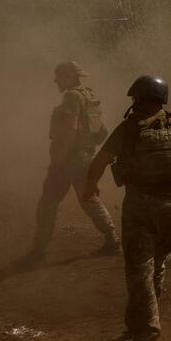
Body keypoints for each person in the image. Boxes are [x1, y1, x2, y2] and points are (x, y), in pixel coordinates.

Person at [82, 75, 171, 341]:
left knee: (138, 268)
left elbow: (100, 161)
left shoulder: (129, 128)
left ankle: (147, 329)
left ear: (139, 98)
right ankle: (137, 321)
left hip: (140, 204)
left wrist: (89, 186)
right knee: (158, 262)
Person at [26, 61, 119, 264]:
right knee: (90, 199)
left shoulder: (71, 97)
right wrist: (87, 150)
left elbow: (70, 130)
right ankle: (112, 239)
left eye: (58, 75)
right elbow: (101, 131)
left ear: (69, 76)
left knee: (47, 203)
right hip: (85, 159)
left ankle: (39, 250)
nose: (55, 80)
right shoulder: (90, 96)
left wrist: (59, 160)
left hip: (68, 161)